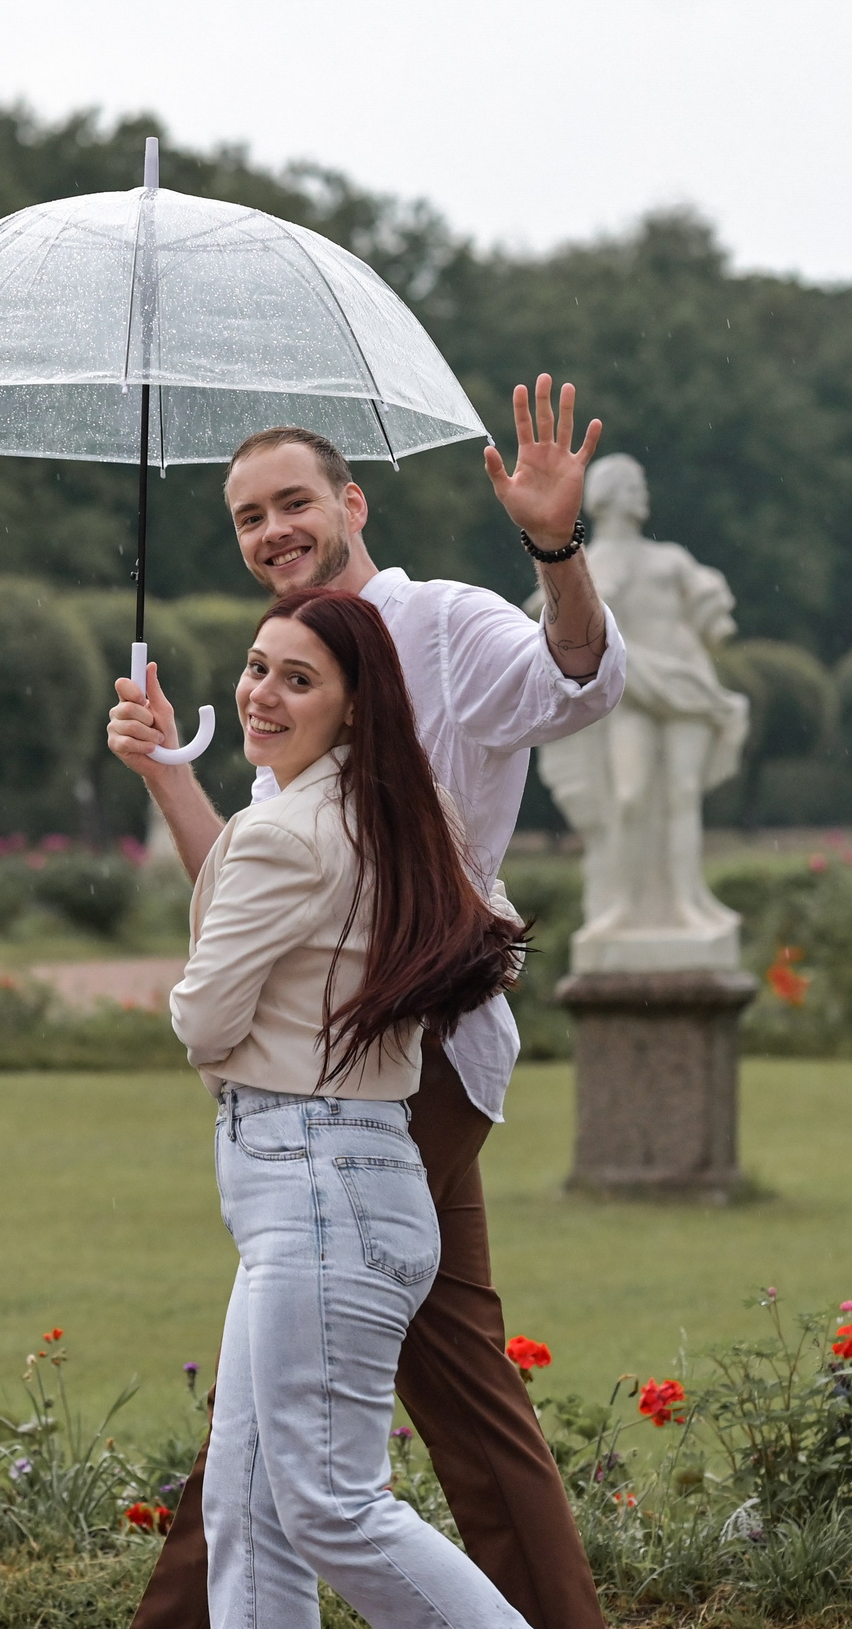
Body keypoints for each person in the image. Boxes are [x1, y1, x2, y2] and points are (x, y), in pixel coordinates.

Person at [109, 376, 625, 1629]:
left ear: (351, 501)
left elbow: (580, 682)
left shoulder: (440, 623)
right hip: (337, 1058)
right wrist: (166, 767)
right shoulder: (300, 675)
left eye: (293, 502)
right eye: (245, 517)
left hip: (407, 1058)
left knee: (284, 1422)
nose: (271, 531)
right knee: (424, 1374)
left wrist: (553, 549)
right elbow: (260, 891)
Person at [172, 587, 530, 1629]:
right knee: (248, 1505)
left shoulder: (284, 832)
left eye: (297, 678)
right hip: (348, 1178)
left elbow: (200, 1019)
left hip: (315, 1185)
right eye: (254, 665)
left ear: (356, 705)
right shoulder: (406, 820)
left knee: (330, 1504)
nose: (261, 694)